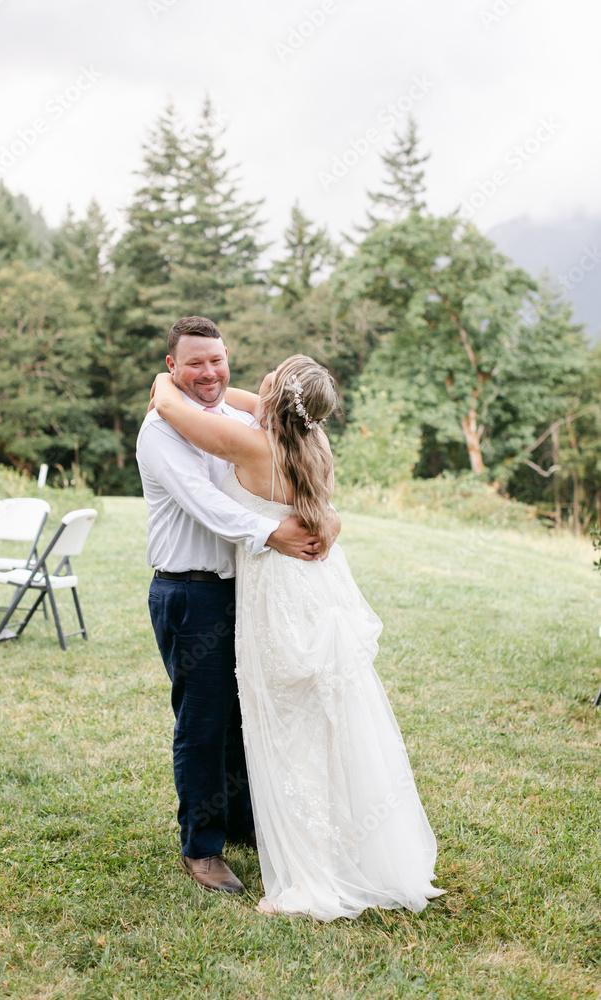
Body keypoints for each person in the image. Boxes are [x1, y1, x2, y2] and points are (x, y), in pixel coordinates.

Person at [151, 352, 445, 921]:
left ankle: (307, 862)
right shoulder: (315, 443)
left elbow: (173, 408)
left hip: (276, 596)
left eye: (272, 372)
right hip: (316, 590)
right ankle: (342, 840)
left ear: (278, 392)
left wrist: (166, 377)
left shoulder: (251, 446)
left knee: (285, 725)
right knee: (324, 720)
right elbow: (238, 400)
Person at [136, 316, 340, 896]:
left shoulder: (238, 418)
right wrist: (272, 532)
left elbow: (284, 428)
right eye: (193, 363)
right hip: (190, 592)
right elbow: (204, 502)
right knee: (203, 723)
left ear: (228, 358)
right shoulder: (161, 430)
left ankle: (243, 820)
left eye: (216, 360)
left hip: (245, 590)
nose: (209, 372)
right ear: (172, 366)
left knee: (242, 716)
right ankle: (202, 848)